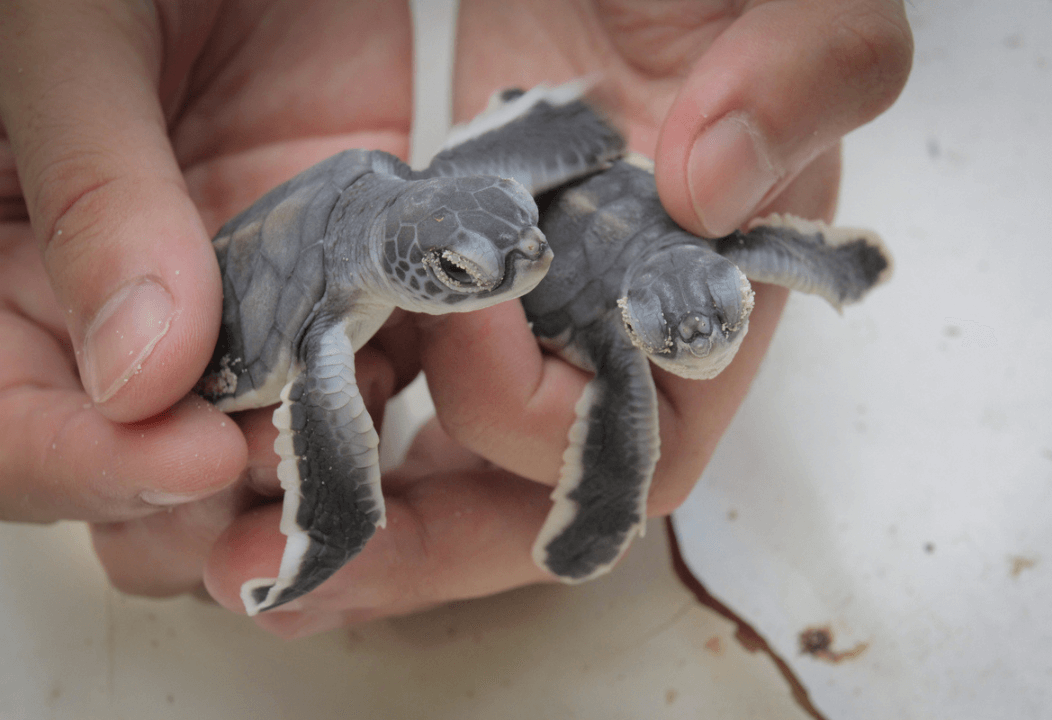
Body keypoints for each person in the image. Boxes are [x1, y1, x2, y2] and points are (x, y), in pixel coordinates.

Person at [0, 0, 912, 637]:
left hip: (393, 201)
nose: (527, 264)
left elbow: (485, 196)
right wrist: (323, 542)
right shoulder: (328, 325)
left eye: (516, 232)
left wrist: (588, 122)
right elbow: (333, 452)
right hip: (224, 328)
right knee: (329, 486)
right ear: (412, 272)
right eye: (468, 275)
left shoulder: (406, 181)